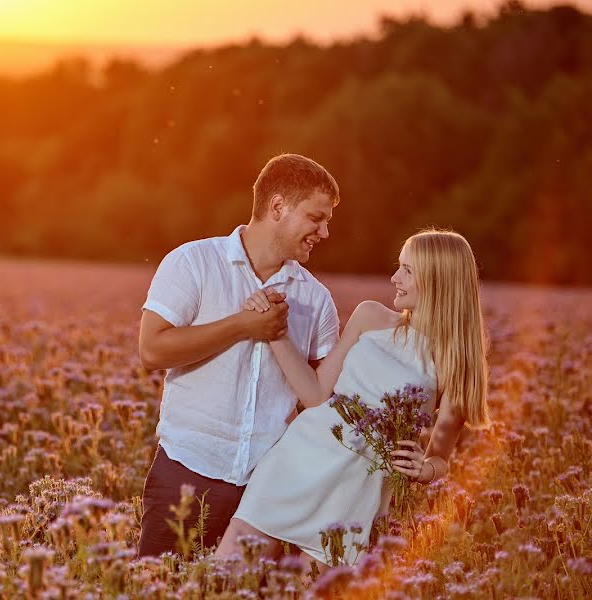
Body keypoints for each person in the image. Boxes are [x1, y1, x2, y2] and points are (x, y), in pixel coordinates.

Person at [214, 229, 490, 566]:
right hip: (298, 461)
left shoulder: (455, 362)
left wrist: (426, 469)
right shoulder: (370, 316)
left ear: (439, 280)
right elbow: (315, 395)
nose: (394, 277)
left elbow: (441, 455)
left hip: (357, 494)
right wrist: (272, 329)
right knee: (225, 575)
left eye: (407, 270)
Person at [137, 154, 341, 557]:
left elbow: (323, 400)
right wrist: (243, 326)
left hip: (266, 491)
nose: (325, 231)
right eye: (316, 218)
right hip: (185, 470)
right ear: (278, 206)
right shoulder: (194, 262)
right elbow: (152, 350)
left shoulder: (316, 299)